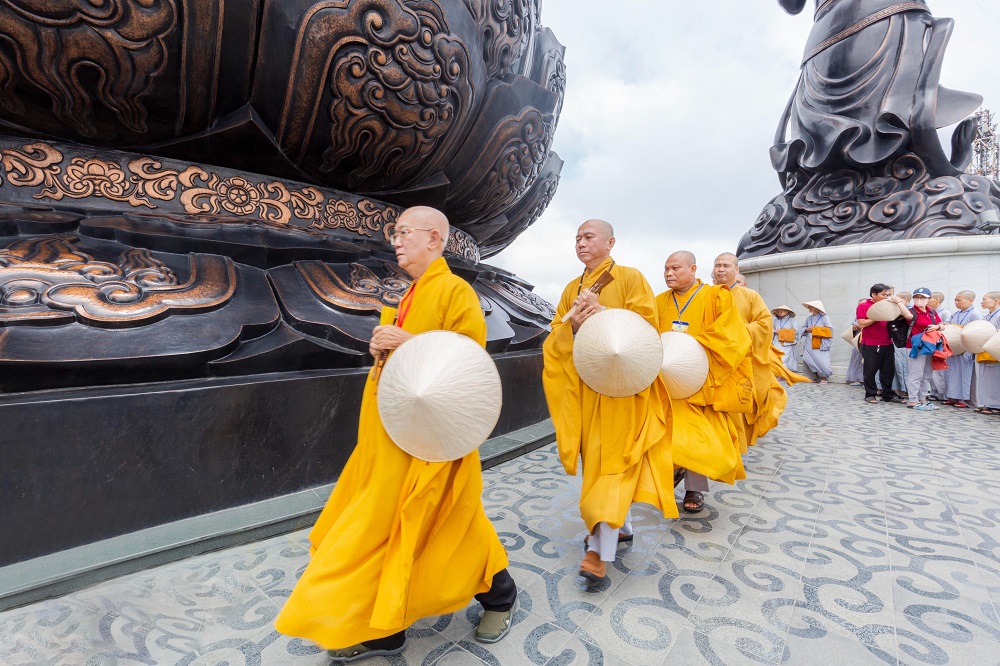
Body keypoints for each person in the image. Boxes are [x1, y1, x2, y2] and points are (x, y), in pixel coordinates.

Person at [275, 207, 517, 662]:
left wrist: (406, 343)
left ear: (435, 240)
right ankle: (385, 631)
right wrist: (379, 346)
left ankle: (500, 594)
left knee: (451, 524)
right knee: (382, 527)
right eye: (396, 233)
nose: (397, 241)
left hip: (435, 440)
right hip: (391, 437)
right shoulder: (410, 295)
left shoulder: (454, 291)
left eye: (406, 233)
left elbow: (470, 362)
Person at [542, 219, 674, 585]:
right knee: (598, 462)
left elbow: (648, 327)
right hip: (586, 390)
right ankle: (622, 526)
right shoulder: (572, 288)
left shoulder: (630, 278)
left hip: (622, 391)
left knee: (612, 464)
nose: (581, 243)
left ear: (610, 242)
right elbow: (554, 336)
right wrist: (573, 328)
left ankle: (599, 551)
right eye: (577, 238)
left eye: (588, 237)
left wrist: (605, 316)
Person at [658, 251, 751, 513]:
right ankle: (673, 470)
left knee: (699, 438)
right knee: (667, 433)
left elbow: (732, 334)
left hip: (702, 377)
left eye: (675, 268)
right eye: (666, 269)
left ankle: (694, 488)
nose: (669, 274)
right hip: (667, 379)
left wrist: (694, 348)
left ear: (693, 269)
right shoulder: (658, 301)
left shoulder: (716, 296)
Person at [712, 253, 786, 452]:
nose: (721, 269)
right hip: (712, 360)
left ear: (736, 270)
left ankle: (735, 445)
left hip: (741, 360)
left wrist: (737, 331)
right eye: (717, 265)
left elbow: (764, 325)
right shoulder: (706, 294)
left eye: (726, 265)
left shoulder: (750, 296)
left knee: (738, 404)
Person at [857, 283, 909, 404]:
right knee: (870, 370)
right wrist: (878, 316)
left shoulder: (890, 305)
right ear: (873, 294)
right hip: (871, 344)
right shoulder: (864, 306)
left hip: (888, 343)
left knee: (888, 371)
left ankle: (888, 395)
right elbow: (861, 323)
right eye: (883, 294)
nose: (886, 297)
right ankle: (870, 394)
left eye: (888, 294)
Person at [904, 288, 944, 410]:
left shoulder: (932, 311)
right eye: (917, 297)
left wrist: (937, 326)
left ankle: (922, 398)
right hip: (914, 346)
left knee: (927, 374)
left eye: (923, 297)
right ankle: (913, 400)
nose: (919, 300)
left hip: (930, 345)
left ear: (928, 299)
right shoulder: (910, 311)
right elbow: (907, 316)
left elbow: (942, 325)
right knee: (915, 374)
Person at [943, 290, 982, 408]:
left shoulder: (976, 314)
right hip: (955, 348)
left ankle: (964, 400)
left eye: (959, 300)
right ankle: (953, 396)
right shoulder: (956, 313)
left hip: (966, 349)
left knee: (965, 374)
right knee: (953, 373)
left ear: (970, 300)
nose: (956, 302)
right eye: (955, 300)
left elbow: (978, 331)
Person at [971, 292, 1000, 414]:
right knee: (985, 378)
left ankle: (995, 405)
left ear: (996, 301)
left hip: (994, 350)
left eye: (984, 299)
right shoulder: (987, 316)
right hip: (983, 351)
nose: (982, 302)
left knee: (995, 379)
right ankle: (986, 403)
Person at [798, 301, 832, 383]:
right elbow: (803, 328)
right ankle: (810, 377)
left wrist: (815, 329)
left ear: (817, 309)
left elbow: (829, 330)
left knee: (821, 360)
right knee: (807, 358)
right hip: (809, 341)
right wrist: (806, 329)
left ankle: (824, 378)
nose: (809, 308)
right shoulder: (808, 318)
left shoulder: (824, 318)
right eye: (809, 307)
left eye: (811, 307)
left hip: (820, 342)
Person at [927, 292, 951, 401]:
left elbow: (947, 327)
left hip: (939, 343)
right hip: (930, 342)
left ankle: (942, 393)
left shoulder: (945, 313)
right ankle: (934, 391)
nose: (927, 300)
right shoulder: (928, 311)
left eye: (929, 298)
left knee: (939, 370)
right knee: (931, 370)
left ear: (937, 300)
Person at [891, 291, 912, 395]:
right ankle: (897, 390)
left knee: (903, 367)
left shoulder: (909, 311)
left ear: (906, 299)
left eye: (899, 299)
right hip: (894, 341)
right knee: (896, 366)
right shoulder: (894, 311)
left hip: (904, 343)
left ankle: (905, 390)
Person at [771, 306, 798, 372]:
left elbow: (795, 331)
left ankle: (783, 373)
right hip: (776, 341)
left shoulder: (792, 320)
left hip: (787, 343)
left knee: (783, 358)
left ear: (787, 312)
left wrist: (782, 332)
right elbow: (772, 329)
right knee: (777, 357)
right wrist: (774, 331)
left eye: (781, 312)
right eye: (778, 312)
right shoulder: (776, 320)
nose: (779, 313)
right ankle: (779, 373)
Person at [846, 299, 866, 386]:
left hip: (867, 339)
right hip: (858, 339)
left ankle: (863, 379)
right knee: (856, 358)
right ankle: (855, 378)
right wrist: (854, 328)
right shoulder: (858, 315)